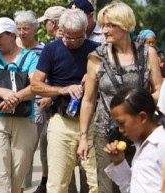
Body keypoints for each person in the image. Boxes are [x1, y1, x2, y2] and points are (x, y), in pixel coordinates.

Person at [78, 1, 163, 193]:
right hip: (106, 133)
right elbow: (89, 100)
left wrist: (139, 107)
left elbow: (159, 89)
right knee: (107, 188)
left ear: (124, 25)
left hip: (141, 131)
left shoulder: (147, 53)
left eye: (110, 25)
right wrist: (83, 137)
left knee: (143, 183)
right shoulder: (95, 57)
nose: (104, 30)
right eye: (103, 25)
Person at [31, 9, 100, 193]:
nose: (75, 42)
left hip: (92, 122)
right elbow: (35, 85)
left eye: (80, 37)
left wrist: (92, 76)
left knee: (96, 182)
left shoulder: (95, 49)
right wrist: (62, 90)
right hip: (62, 122)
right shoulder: (51, 49)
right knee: (58, 182)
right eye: (70, 37)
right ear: (60, 30)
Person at [0, 17, 38, 193]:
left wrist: (16, 98)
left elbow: (35, 87)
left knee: (19, 170)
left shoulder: (30, 57)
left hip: (24, 119)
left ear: (11, 35)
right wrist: (4, 93)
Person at [67, 1, 105, 192]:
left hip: (96, 106)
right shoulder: (65, 33)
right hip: (68, 107)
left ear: (91, 16)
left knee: (90, 166)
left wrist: (91, 75)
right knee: (67, 166)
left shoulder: (105, 34)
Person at [103, 88, 165, 193]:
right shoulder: (140, 145)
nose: (120, 130)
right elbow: (132, 188)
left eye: (122, 123)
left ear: (142, 117)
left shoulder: (161, 143)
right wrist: (119, 162)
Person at [14, 10, 49, 193]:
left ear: (35, 29)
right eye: (19, 28)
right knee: (20, 149)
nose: (22, 32)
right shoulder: (13, 49)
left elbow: (48, 78)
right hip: (14, 104)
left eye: (26, 28)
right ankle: (21, 185)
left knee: (36, 145)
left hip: (36, 105)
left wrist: (46, 96)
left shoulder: (44, 50)